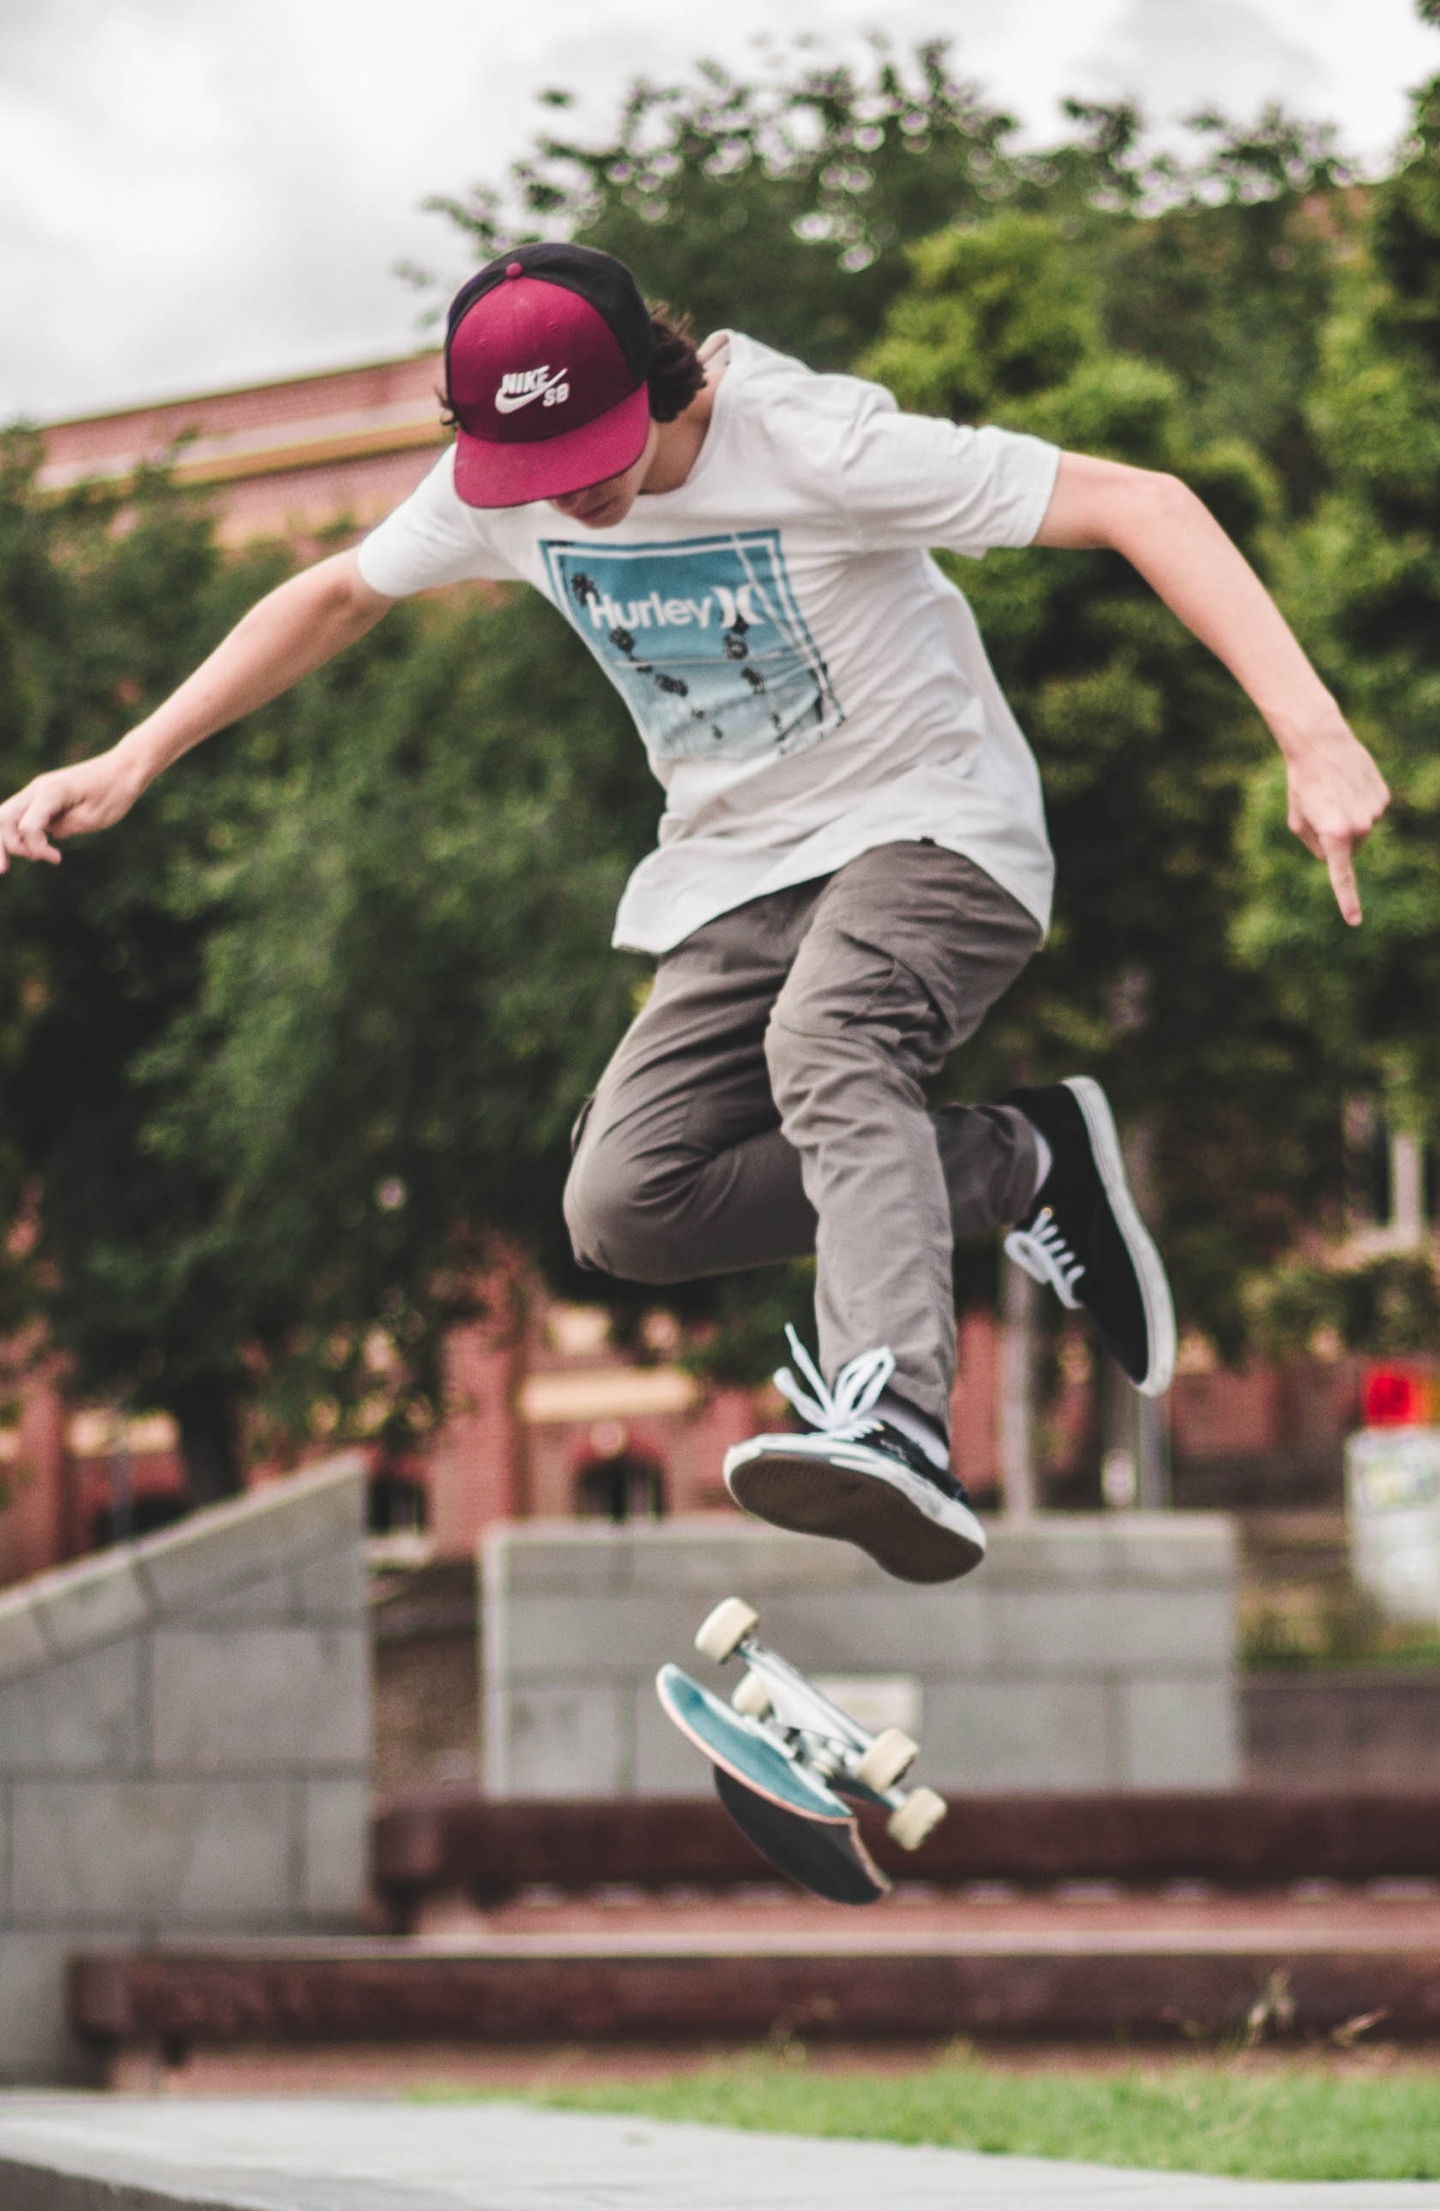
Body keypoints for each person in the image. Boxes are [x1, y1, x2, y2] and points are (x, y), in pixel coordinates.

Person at [0, 242, 1389, 1584]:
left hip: (935, 828)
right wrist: (136, 756)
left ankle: (896, 1416)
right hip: (737, 871)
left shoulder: (818, 444)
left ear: (658, 386)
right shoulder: (502, 486)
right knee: (626, 1207)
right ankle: (1025, 1164)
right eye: (526, 478)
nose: (562, 503)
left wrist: (1310, 734)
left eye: (585, 461)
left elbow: (1143, 502)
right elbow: (332, 598)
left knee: (831, 1042)